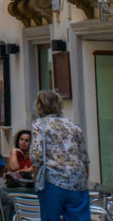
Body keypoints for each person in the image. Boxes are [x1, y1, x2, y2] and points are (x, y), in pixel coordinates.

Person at [31, 89, 90, 220]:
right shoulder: (73, 125)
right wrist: (83, 179)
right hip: (77, 180)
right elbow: (84, 157)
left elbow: (36, 156)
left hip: (52, 180)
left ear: (39, 105)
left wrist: (36, 179)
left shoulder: (39, 125)